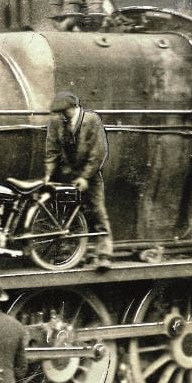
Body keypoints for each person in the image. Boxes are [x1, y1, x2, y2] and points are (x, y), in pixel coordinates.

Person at [43, 91, 113, 268]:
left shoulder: (91, 120)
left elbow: (98, 153)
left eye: (64, 111)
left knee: (97, 210)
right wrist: (48, 173)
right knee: (68, 215)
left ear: (74, 108)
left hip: (89, 174)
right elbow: (52, 149)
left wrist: (85, 177)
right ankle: (74, 254)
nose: (62, 116)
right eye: (59, 112)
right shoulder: (56, 121)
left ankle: (104, 255)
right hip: (66, 174)